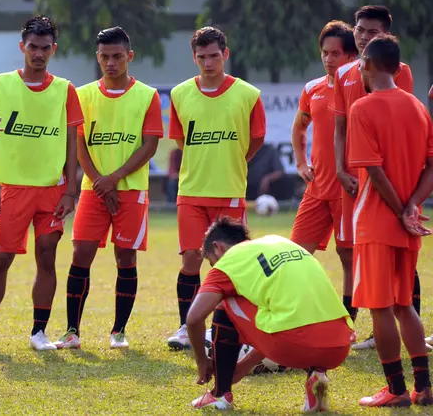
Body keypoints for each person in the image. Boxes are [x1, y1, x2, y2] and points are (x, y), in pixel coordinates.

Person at [0, 15, 83, 352]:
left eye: (45, 48)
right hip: (14, 188)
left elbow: (70, 142)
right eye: (32, 47)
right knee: (2, 257)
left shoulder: (65, 90)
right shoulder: (0, 84)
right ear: (22, 47)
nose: (38, 53)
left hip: (51, 189)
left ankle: (38, 332)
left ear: (54, 49)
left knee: (47, 257)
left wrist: (70, 189)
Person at [53, 27, 162, 349]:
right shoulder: (82, 95)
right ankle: (72, 330)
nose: (111, 62)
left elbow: (150, 144)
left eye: (117, 56)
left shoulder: (147, 95)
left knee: (125, 257)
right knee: (81, 252)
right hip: (93, 189)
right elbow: (79, 142)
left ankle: (119, 331)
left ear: (129, 56)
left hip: (131, 189)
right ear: (97, 57)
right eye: (104, 56)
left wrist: (113, 178)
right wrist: (100, 181)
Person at [166, 27, 266, 349]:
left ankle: (238, 329)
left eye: (213, 56)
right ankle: (186, 327)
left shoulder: (248, 94)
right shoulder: (180, 93)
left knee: (230, 263)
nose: (208, 63)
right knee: (192, 258)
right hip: (191, 192)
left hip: (230, 191)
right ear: (193, 58)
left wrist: (233, 161)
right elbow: (181, 141)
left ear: (225, 54)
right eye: (201, 57)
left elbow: (256, 139)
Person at [186, 218, 353, 411]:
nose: (213, 267)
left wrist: (201, 361)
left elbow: (194, 318)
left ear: (218, 248)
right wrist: (244, 366)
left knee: (225, 300)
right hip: (339, 345)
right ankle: (316, 374)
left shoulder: (228, 263)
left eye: (211, 261)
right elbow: (290, 314)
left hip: (294, 344)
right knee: (285, 309)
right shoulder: (279, 242)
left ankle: (220, 394)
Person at [347, 35, 433, 407]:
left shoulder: (362, 108)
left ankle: (396, 389)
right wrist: (413, 205)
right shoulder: (418, 107)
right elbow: (431, 166)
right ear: (398, 68)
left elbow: (375, 171)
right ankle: (424, 386)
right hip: (407, 222)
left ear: (365, 65)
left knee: (381, 306)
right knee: (404, 305)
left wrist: (400, 209)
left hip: (378, 222)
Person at [332, 5, 418, 351]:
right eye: (360, 29)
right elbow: (339, 129)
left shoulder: (400, 77)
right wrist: (339, 169)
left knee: (395, 272)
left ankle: (396, 363)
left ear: (387, 37)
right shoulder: (343, 75)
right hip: (358, 180)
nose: (364, 36)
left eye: (373, 32)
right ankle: (416, 377)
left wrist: (402, 202)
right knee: (353, 255)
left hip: (384, 183)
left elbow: (401, 134)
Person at [290, 21, 358, 322]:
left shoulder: (361, 89)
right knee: (295, 255)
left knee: (348, 256)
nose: (329, 59)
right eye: (324, 53)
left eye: (336, 53)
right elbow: (299, 127)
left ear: (351, 55)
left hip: (348, 189)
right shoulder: (312, 88)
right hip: (317, 188)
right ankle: (295, 314)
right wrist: (301, 162)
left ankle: (349, 317)